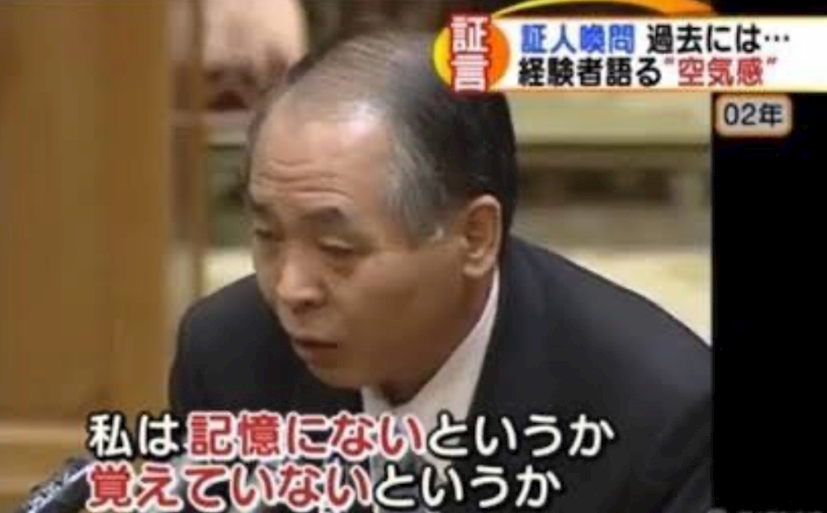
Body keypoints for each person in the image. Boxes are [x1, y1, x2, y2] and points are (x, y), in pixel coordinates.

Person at [168, 30, 711, 513]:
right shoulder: (228, 355)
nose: (290, 289)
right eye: (268, 235)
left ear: (475, 237)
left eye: (337, 248)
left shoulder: (659, 413)